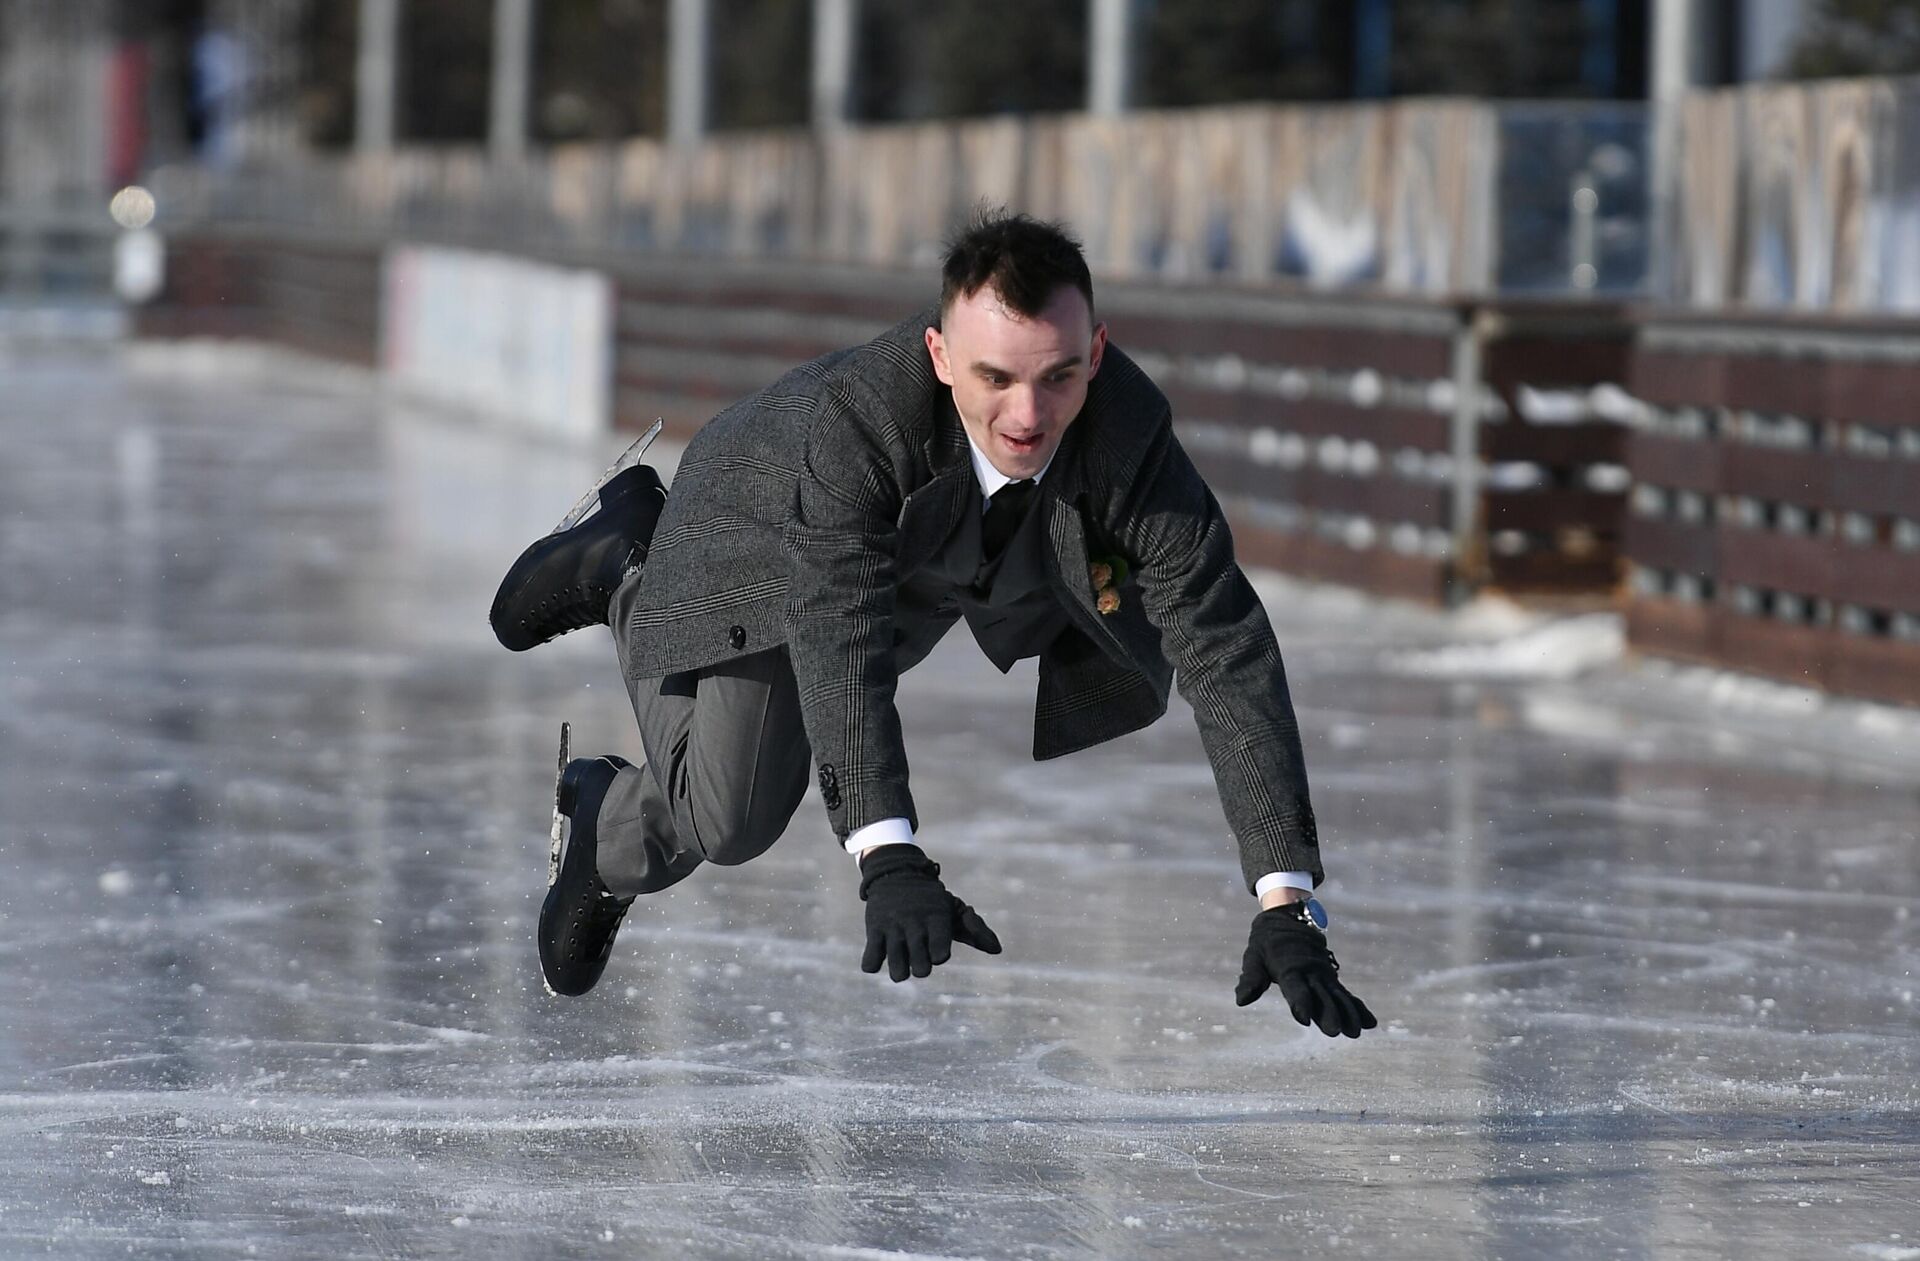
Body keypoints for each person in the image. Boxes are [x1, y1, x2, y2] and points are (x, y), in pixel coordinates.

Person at [490, 210, 1376, 1038]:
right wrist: (888, 849)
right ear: (941, 354)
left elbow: (1224, 643)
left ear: (1096, 351)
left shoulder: (1129, 435)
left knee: (1141, 576)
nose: (1028, 415)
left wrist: (1285, 896)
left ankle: (606, 802)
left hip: (938, 556)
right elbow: (842, 633)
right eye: (996, 376)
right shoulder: (859, 422)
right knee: (731, 820)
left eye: (1058, 376)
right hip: (766, 530)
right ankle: (627, 567)